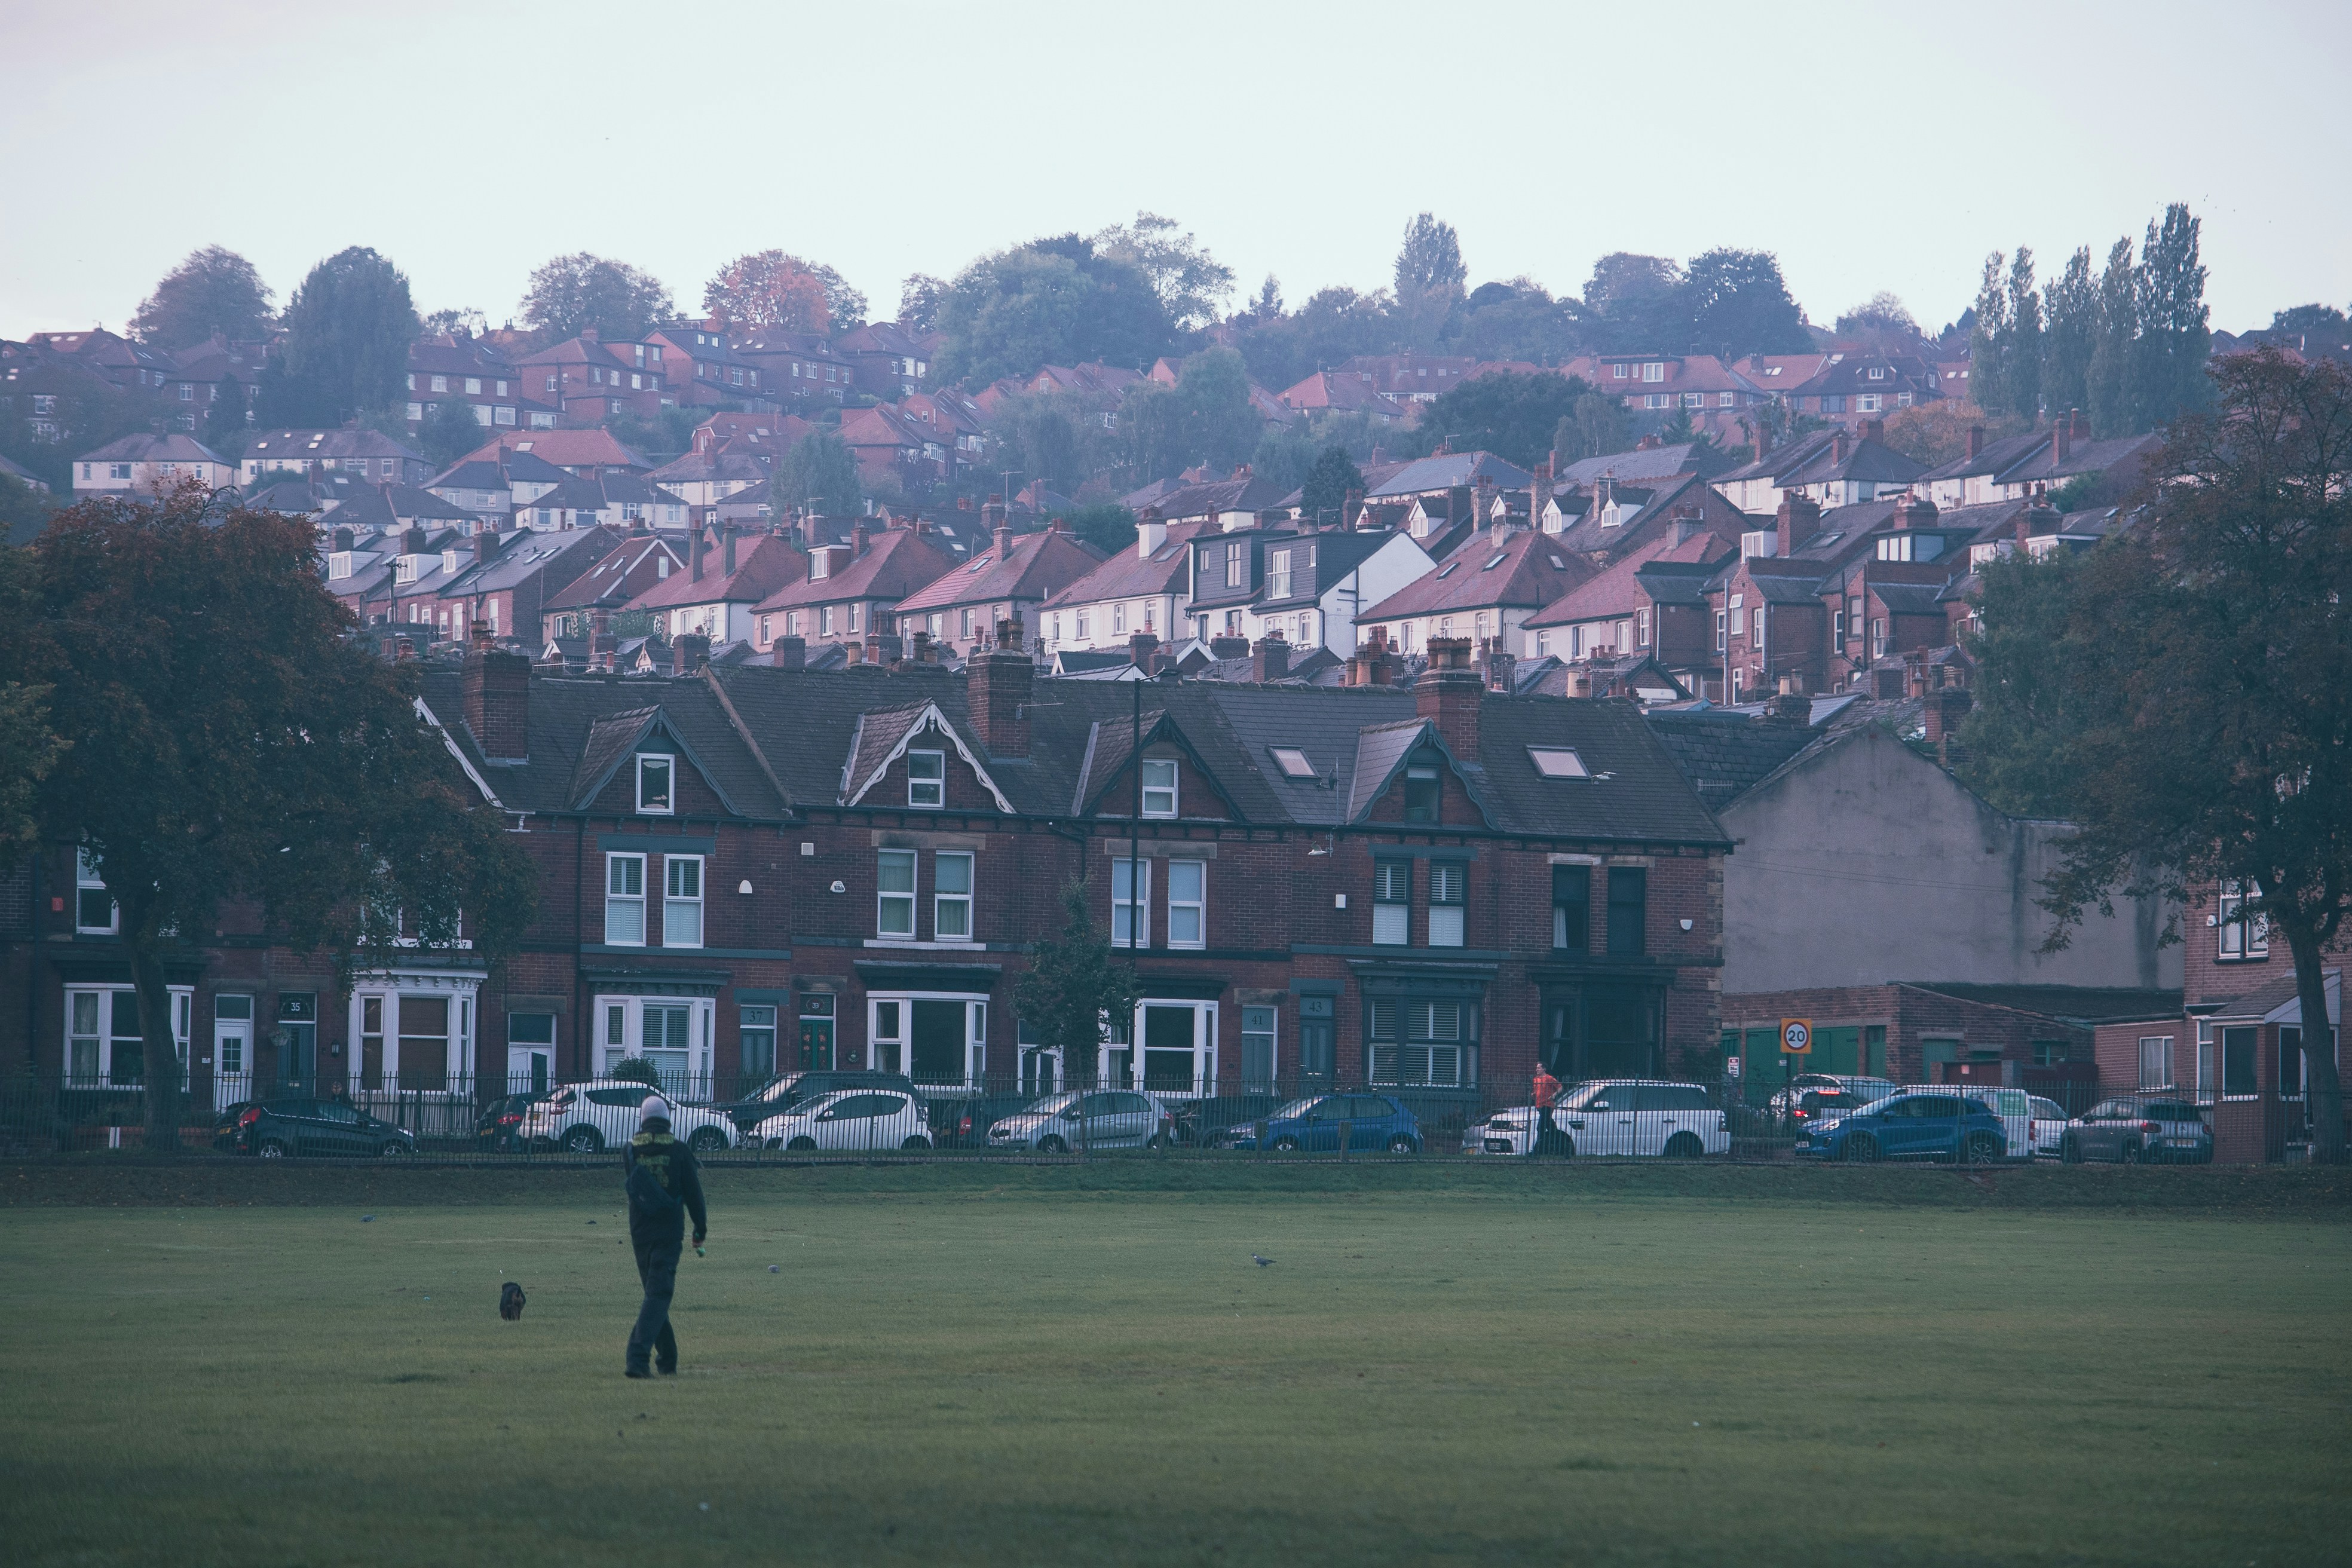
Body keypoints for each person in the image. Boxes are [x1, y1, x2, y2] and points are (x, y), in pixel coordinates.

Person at [622, 1095, 707, 1379]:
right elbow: (694, 1194)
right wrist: (700, 1228)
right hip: (669, 1232)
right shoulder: (680, 1151)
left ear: (643, 1120)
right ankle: (637, 1358)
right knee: (659, 1294)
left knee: (654, 1295)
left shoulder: (630, 1151)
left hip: (640, 1233)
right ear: (668, 1119)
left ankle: (668, 1359)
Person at [1532, 1061, 1562, 1156]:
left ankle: (1537, 1151)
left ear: (1544, 1069)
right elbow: (1537, 1091)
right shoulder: (1536, 1080)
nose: (1537, 1070)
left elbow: (1560, 1088)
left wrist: (1553, 1096)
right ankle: (1560, 1147)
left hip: (1547, 1105)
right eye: (1537, 1068)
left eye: (1539, 1068)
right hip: (1539, 1105)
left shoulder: (1549, 1078)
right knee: (1551, 1128)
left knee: (1540, 1127)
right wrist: (1534, 1095)